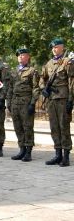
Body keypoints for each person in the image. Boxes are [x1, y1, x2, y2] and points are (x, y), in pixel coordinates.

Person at [40, 38, 74, 167]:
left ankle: (66, 156)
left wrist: (71, 99)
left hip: (63, 99)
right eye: (53, 48)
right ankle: (57, 154)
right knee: (54, 127)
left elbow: (71, 82)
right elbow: (42, 79)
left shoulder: (67, 62)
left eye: (56, 47)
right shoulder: (49, 63)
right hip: (51, 100)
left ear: (62, 48)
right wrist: (44, 89)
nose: (54, 49)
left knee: (63, 127)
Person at [7, 48, 40, 162]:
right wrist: (9, 102)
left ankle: (28, 151)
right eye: (19, 55)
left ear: (28, 57)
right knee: (18, 127)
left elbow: (36, 88)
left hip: (26, 102)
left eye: (23, 55)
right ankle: (21, 149)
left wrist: (32, 103)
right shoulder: (14, 71)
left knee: (27, 127)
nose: (20, 57)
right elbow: (10, 88)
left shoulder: (32, 71)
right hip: (15, 102)